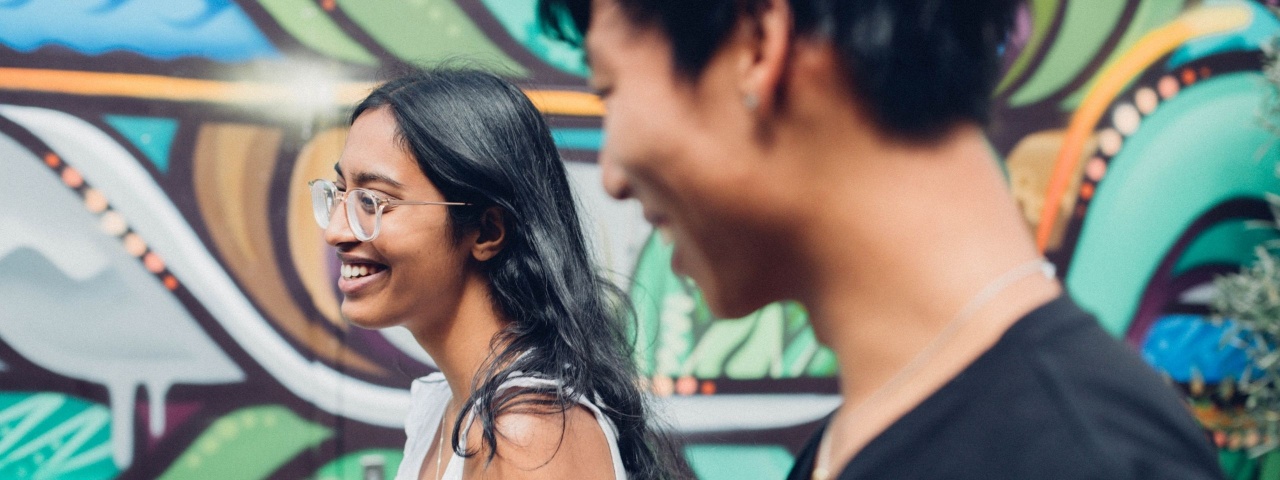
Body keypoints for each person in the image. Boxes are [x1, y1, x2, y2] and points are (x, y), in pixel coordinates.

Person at [537, 0, 1225, 478]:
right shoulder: (862, 432)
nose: (614, 174)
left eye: (610, 88)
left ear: (757, 40)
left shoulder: (1086, 459)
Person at [310, 68, 685, 480]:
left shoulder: (526, 434)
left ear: (488, 230)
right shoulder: (445, 407)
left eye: (374, 201)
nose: (336, 232)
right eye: (340, 194)